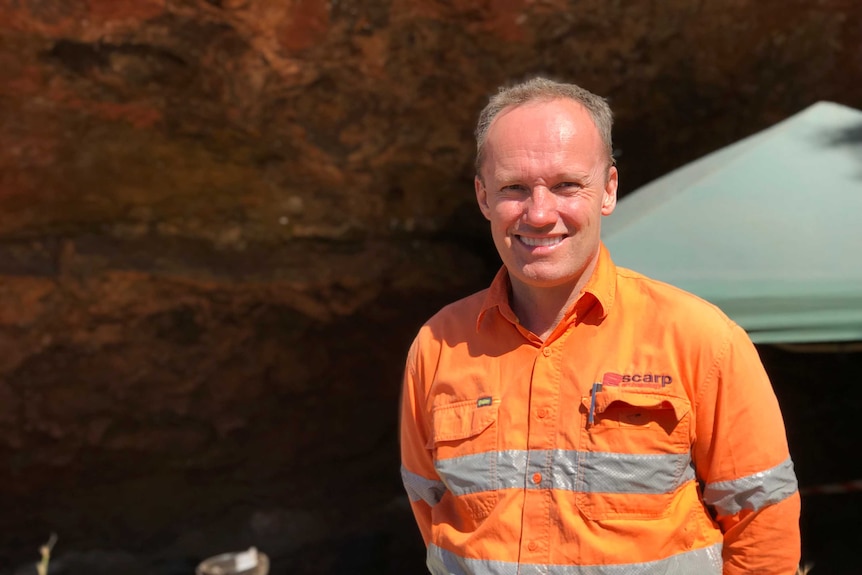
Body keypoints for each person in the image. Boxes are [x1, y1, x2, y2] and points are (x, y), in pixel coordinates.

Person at [399, 77, 801, 574]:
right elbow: (430, 508)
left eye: (567, 185)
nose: (540, 213)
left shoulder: (701, 339)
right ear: (483, 197)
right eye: (514, 188)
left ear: (608, 189)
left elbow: (762, 523)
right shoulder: (438, 345)